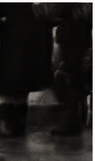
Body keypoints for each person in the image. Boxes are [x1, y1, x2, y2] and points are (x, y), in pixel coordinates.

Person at [0, 4, 53, 138]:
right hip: (7, 16)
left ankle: (16, 118)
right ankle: (8, 118)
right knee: (10, 68)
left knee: (26, 69)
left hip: (30, 15)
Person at [34, 3, 92, 136]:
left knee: (67, 73)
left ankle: (71, 119)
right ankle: (74, 116)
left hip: (72, 29)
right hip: (77, 28)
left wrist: (40, 9)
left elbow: (57, 8)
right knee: (73, 72)